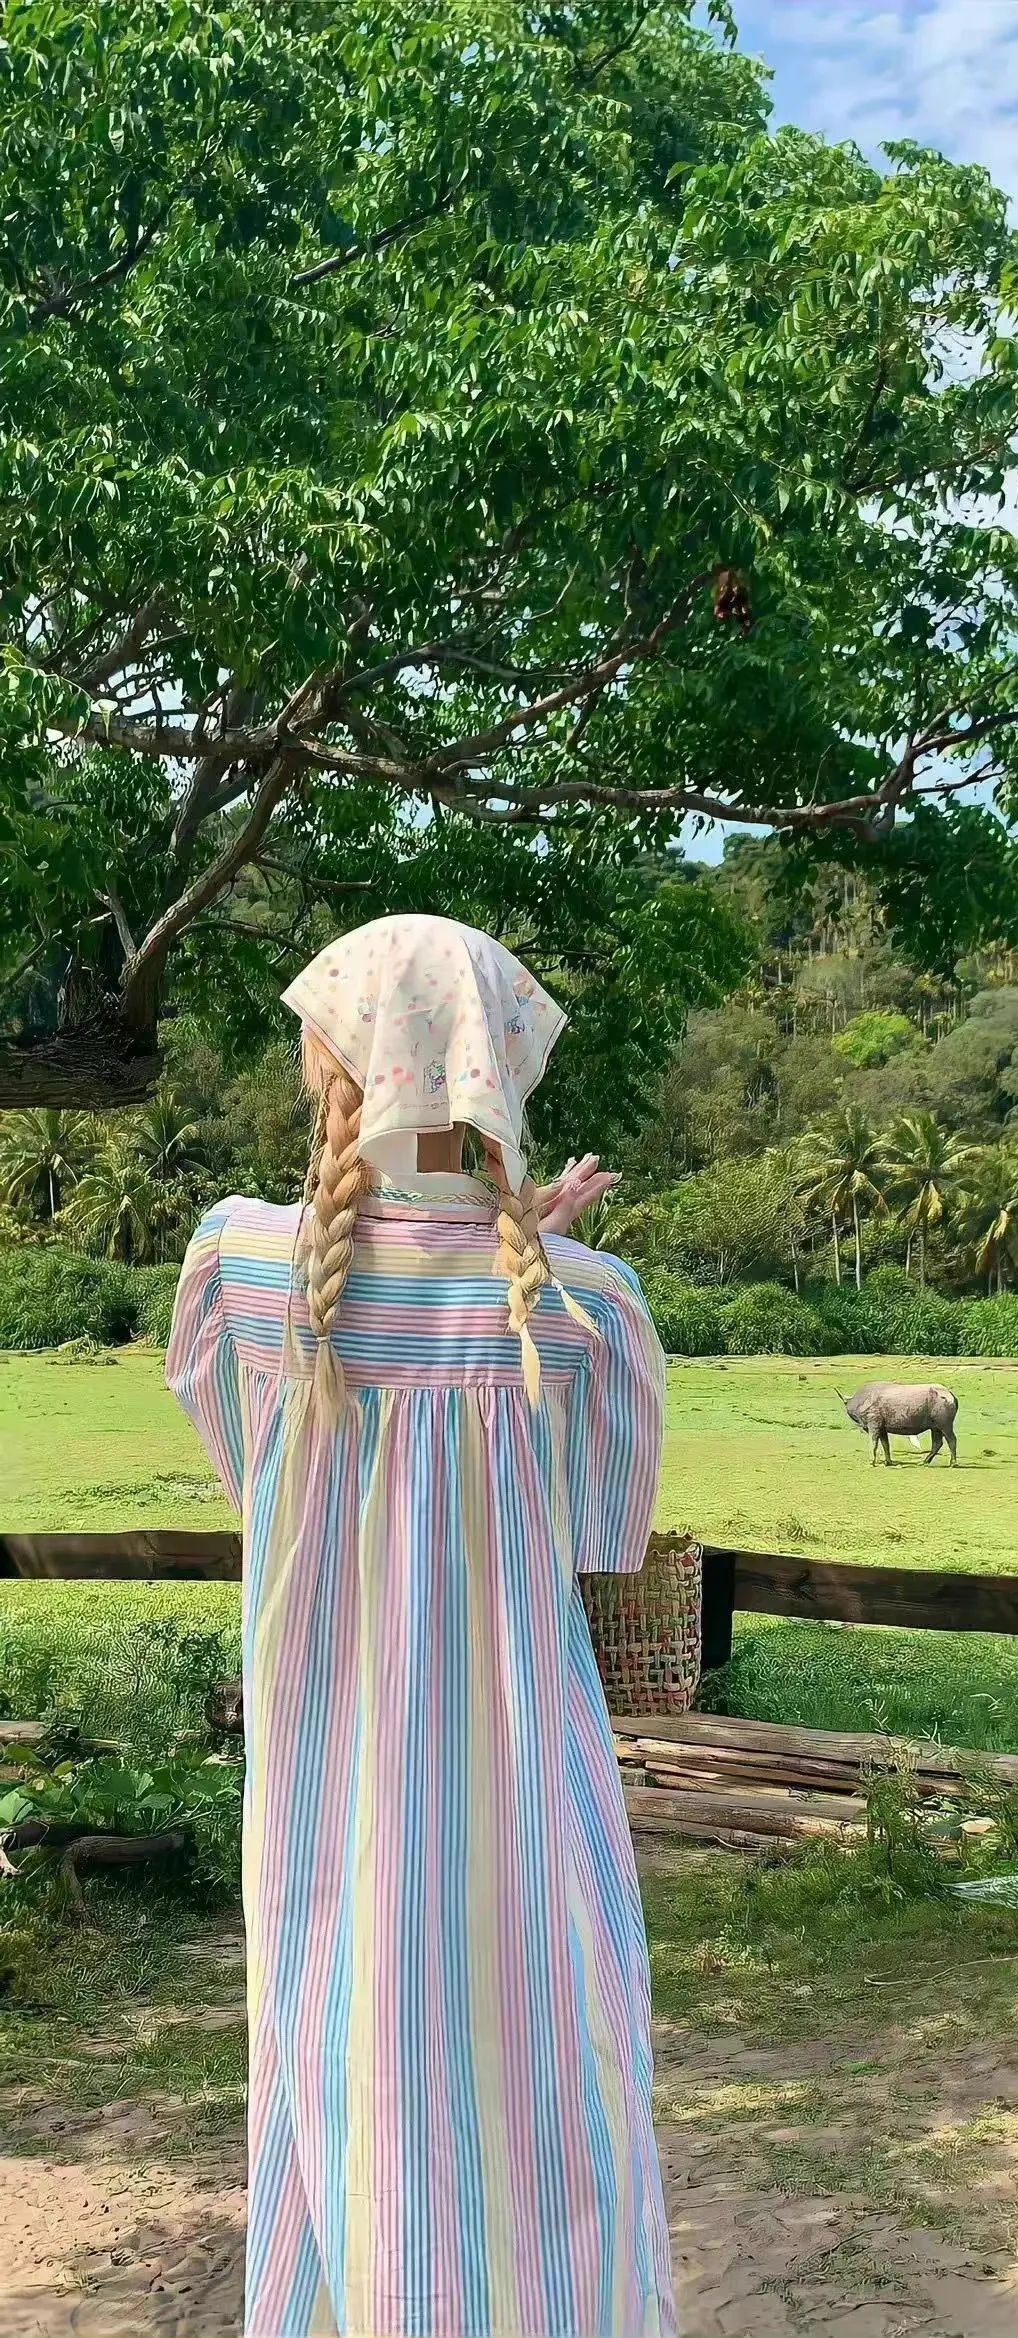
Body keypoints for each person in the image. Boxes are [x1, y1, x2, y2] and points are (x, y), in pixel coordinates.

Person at [166, 913, 675, 2338]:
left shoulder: (243, 1268)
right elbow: (600, 1535)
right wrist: (530, 1260)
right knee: (540, 2087)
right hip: (520, 1800)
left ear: (335, 1059)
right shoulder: (589, 1310)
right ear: (501, 1068)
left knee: (342, 2075)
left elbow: (261, 1482)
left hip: (325, 1795)